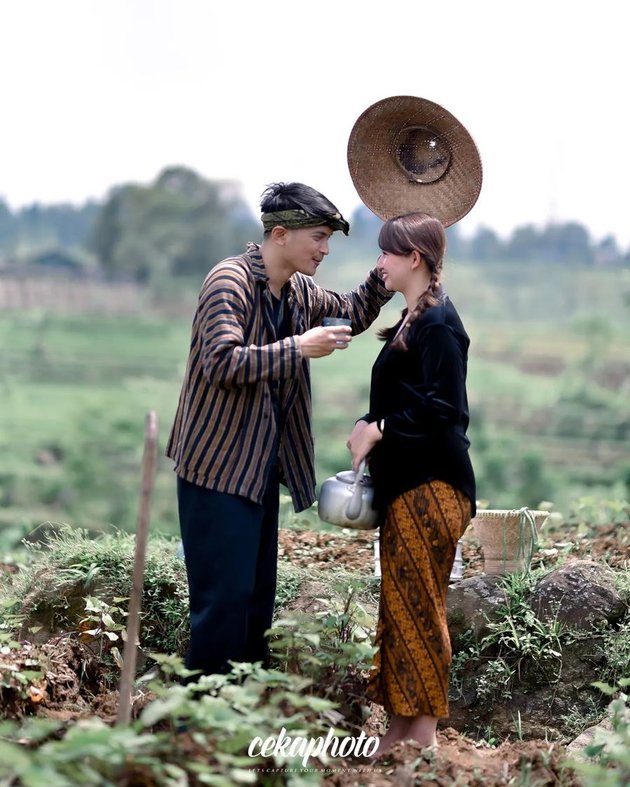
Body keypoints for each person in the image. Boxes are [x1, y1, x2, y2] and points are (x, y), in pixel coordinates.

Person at [166, 182, 392, 677]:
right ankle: (196, 727)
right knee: (221, 605)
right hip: (216, 469)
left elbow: (350, 312)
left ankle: (239, 719)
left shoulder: (297, 290)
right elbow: (221, 361)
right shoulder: (229, 282)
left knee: (253, 603)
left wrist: (388, 269)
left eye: (329, 239)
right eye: (318, 236)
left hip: (259, 470)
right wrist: (299, 348)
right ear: (281, 234)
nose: (325, 249)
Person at [347, 211, 476, 751]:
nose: (378, 263)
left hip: (433, 487)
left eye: (385, 253)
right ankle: (399, 730)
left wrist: (377, 429)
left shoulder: (439, 324)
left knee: (419, 608)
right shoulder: (414, 318)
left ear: (413, 259)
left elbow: (444, 411)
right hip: (409, 487)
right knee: (400, 607)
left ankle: (421, 737)